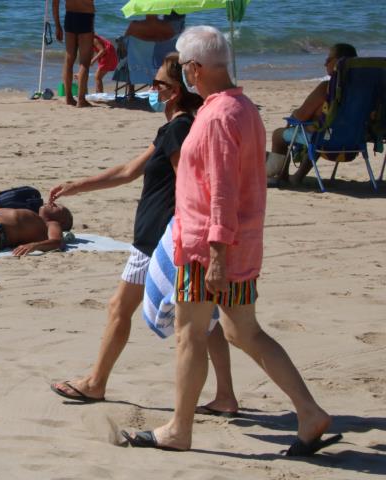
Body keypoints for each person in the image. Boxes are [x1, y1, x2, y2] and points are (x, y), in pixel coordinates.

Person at [121, 26, 338, 457]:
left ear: (195, 69)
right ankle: (309, 412)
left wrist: (217, 255)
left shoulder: (219, 116)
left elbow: (221, 191)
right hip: (236, 242)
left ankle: (179, 430)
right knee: (243, 331)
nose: (184, 74)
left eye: (184, 68)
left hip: (208, 246)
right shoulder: (241, 107)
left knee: (191, 333)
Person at [49, 53, 238, 415]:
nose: (153, 90)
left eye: (158, 84)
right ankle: (226, 395)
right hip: (167, 235)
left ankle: (96, 382)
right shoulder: (174, 128)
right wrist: (78, 185)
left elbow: (189, 183)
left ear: (175, 91)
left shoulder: (180, 128)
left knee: (121, 307)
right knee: (205, 318)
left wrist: (187, 230)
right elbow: (129, 171)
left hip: (159, 238)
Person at [267, 44, 358, 186]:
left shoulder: (326, 88)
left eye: (329, 59)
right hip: (354, 140)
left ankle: (282, 175)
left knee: (279, 134)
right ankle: (298, 176)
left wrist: (294, 114)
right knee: (320, 126)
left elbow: (300, 116)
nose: (325, 63)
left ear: (339, 62)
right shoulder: (364, 91)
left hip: (326, 140)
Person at [52, 0, 95, 107]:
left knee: (69, 59)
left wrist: (57, 25)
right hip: (85, 17)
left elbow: (55, 3)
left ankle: (69, 98)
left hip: (70, 17)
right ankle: (81, 99)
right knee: (84, 61)